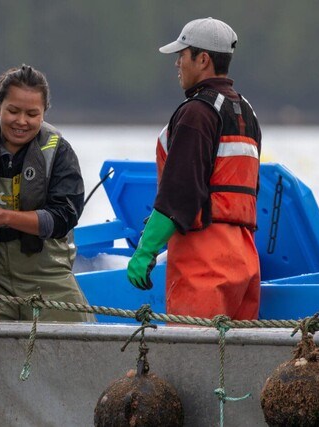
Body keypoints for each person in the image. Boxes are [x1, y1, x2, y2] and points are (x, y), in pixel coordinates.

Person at [127, 18, 262, 320]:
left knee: (193, 361)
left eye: (182, 55)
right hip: (245, 257)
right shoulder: (246, 111)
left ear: (203, 60)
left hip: (204, 260)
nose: (177, 64)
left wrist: (145, 250)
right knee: (239, 358)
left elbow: (181, 193)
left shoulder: (196, 113)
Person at [0, 65, 95, 322]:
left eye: (32, 114)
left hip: (46, 273)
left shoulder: (59, 152)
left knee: (80, 342)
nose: (21, 121)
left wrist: (3, 217)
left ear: (44, 113)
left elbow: (62, 218)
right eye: (13, 111)